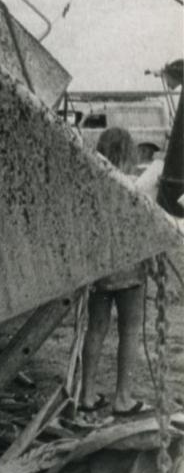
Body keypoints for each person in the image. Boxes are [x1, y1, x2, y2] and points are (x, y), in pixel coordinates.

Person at [78, 127, 147, 416]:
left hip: (99, 270)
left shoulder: (91, 183)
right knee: (129, 331)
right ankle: (122, 397)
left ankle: (87, 394)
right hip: (130, 270)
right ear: (130, 152)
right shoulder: (137, 185)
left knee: (95, 329)